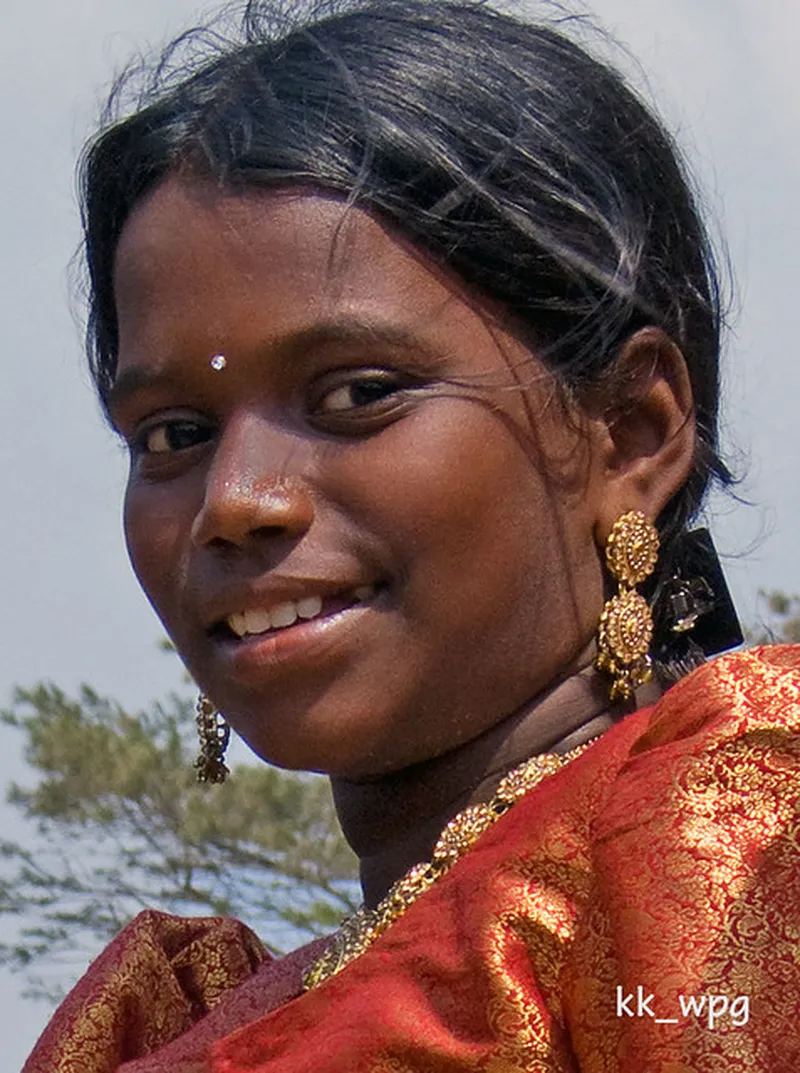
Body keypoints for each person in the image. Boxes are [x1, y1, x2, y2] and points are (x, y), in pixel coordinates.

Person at [24, 1, 799, 1070]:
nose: (235, 498)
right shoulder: (160, 1023)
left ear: (629, 430)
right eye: (175, 432)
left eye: (358, 392)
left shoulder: (736, 858)